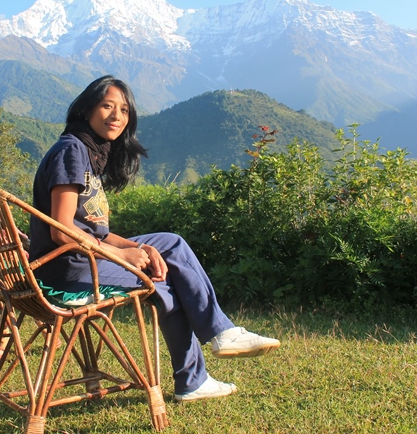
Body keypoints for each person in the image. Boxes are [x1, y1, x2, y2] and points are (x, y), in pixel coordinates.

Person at [29, 75, 280, 402]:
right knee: (166, 278)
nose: (117, 116)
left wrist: (137, 247)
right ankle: (209, 352)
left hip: (77, 263)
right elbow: (61, 231)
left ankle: (202, 367)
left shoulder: (87, 153)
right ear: (87, 110)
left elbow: (95, 232)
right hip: (65, 272)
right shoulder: (72, 152)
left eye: (124, 109)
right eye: (107, 106)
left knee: (169, 246)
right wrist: (123, 258)